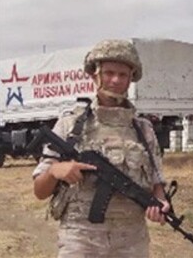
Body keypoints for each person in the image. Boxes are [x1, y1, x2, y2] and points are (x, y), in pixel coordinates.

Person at [32, 39, 170, 258]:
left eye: (123, 75)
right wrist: (54, 171)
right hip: (81, 238)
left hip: (131, 240)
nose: (115, 80)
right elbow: (40, 192)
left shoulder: (143, 130)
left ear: (131, 79)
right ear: (94, 75)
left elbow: (156, 185)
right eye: (108, 73)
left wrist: (161, 205)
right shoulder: (70, 125)